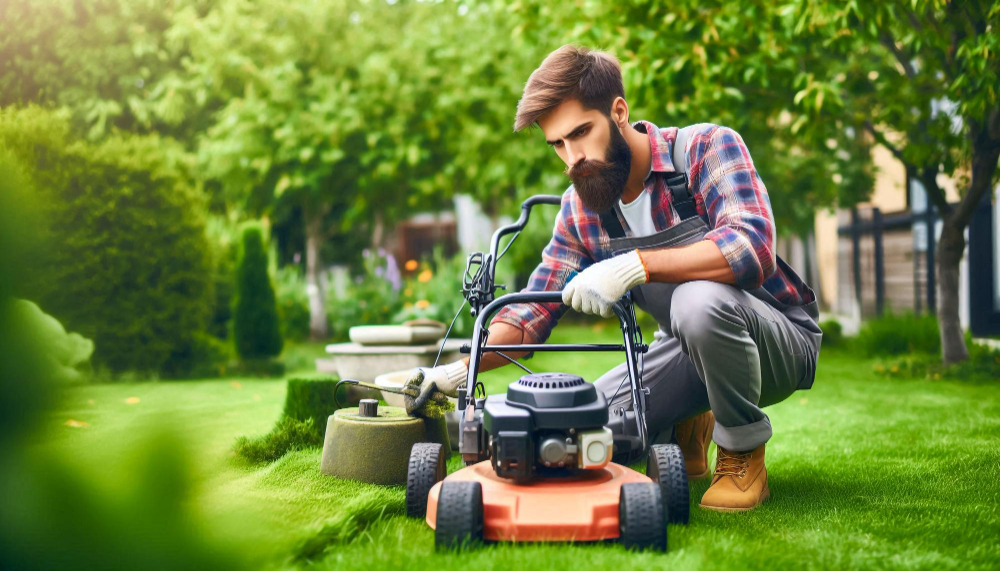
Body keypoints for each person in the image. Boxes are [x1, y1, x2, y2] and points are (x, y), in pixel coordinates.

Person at [404, 45, 822, 512]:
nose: (572, 158)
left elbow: (752, 248)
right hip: (684, 351)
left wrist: (638, 265)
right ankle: (691, 421)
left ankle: (741, 454)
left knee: (697, 302)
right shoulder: (581, 210)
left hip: (778, 341)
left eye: (581, 133)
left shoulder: (707, 149)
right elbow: (533, 312)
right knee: (576, 430)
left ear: (618, 111)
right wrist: (458, 370)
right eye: (558, 144)